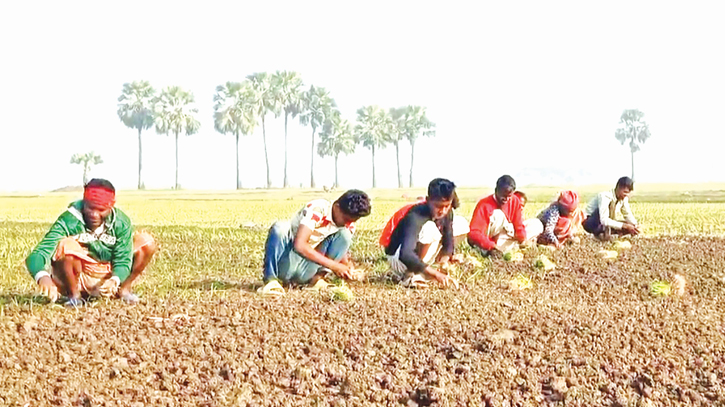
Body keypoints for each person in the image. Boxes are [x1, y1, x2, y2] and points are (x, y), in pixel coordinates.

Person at [25, 179, 158, 306]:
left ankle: (122, 290)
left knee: (146, 242)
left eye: (101, 210)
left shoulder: (121, 222)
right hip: (81, 273)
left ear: (111, 206)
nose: (94, 215)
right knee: (66, 245)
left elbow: (123, 259)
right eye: (90, 208)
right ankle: (74, 296)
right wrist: (42, 276)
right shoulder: (69, 220)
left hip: (108, 274)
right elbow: (38, 254)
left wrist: (115, 279)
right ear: (84, 202)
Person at [259, 189, 371, 296]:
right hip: (287, 259)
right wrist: (334, 266)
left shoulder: (347, 225)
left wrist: (347, 268)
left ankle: (317, 279)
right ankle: (271, 280)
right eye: (346, 219)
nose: (348, 223)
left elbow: (341, 248)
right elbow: (300, 245)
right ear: (336, 207)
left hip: (307, 268)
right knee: (280, 227)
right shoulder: (318, 209)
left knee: (345, 235)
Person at [383, 178, 468, 288]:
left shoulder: (447, 212)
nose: (443, 211)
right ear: (428, 200)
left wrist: (444, 261)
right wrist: (436, 274)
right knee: (430, 228)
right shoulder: (416, 215)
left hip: (418, 255)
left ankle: (432, 267)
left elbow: (448, 241)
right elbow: (405, 255)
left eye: (447, 206)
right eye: (438, 206)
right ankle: (413, 274)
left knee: (461, 223)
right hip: (399, 259)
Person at [468, 175, 543, 255]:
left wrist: (522, 239)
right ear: (496, 190)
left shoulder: (515, 201)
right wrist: (491, 245)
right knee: (499, 215)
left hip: (505, 237)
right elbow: (474, 233)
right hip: (488, 241)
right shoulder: (484, 205)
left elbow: (518, 225)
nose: (506, 199)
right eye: (503, 196)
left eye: (509, 196)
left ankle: (509, 247)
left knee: (536, 224)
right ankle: (492, 250)